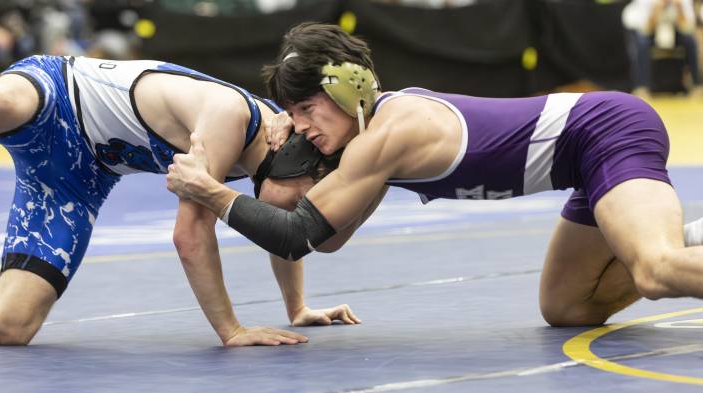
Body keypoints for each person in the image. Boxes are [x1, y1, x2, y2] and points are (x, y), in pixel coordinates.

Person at [167, 22, 703, 328]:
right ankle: (682, 242)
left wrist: (209, 191)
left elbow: (297, 238)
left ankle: (657, 248)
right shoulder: (365, 141)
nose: (303, 128)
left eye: (308, 108)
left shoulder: (387, 138)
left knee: (655, 273)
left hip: (605, 131)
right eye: (294, 113)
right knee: (567, 308)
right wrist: (292, 161)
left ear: (349, 88)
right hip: (580, 163)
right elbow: (327, 240)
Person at [0, 54, 361, 347]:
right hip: (58, 92)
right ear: (291, 161)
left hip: (79, 178)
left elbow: (279, 234)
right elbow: (189, 237)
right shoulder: (231, 117)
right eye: (299, 200)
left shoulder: (277, 148)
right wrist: (231, 330)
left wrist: (297, 307)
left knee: (8, 325)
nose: (293, 213)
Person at [623, 0, 702, 97]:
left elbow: (686, 29)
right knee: (642, 43)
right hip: (647, 29)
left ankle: (697, 86)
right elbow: (646, 30)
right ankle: (641, 86)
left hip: (675, 30)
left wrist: (679, 9)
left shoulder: (683, 2)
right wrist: (656, 10)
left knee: (691, 42)